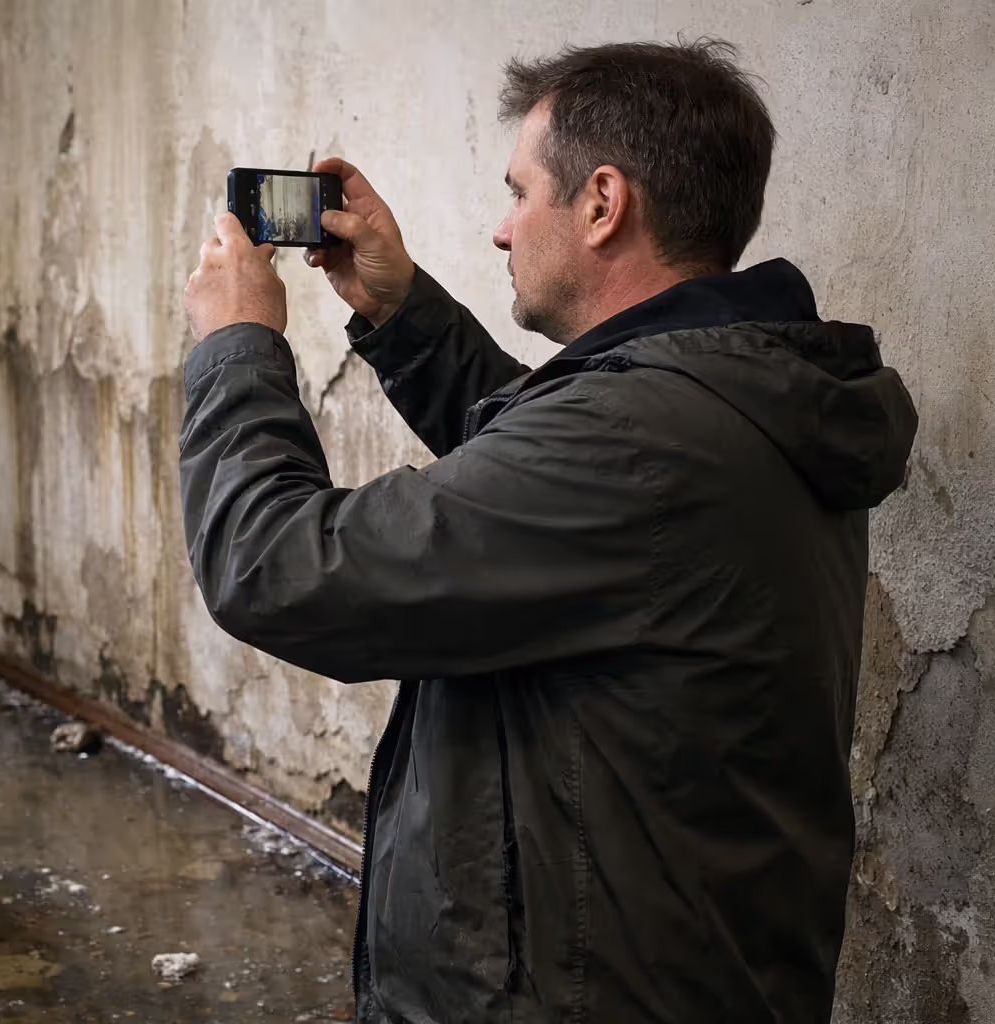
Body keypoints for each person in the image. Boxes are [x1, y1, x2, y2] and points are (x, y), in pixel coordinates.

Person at [178, 38, 919, 1024]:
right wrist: (404, 314)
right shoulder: (732, 393)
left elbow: (276, 566)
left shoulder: (640, 438)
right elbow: (550, 473)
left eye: (519, 193)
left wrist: (239, 343)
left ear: (604, 203)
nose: (499, 229)